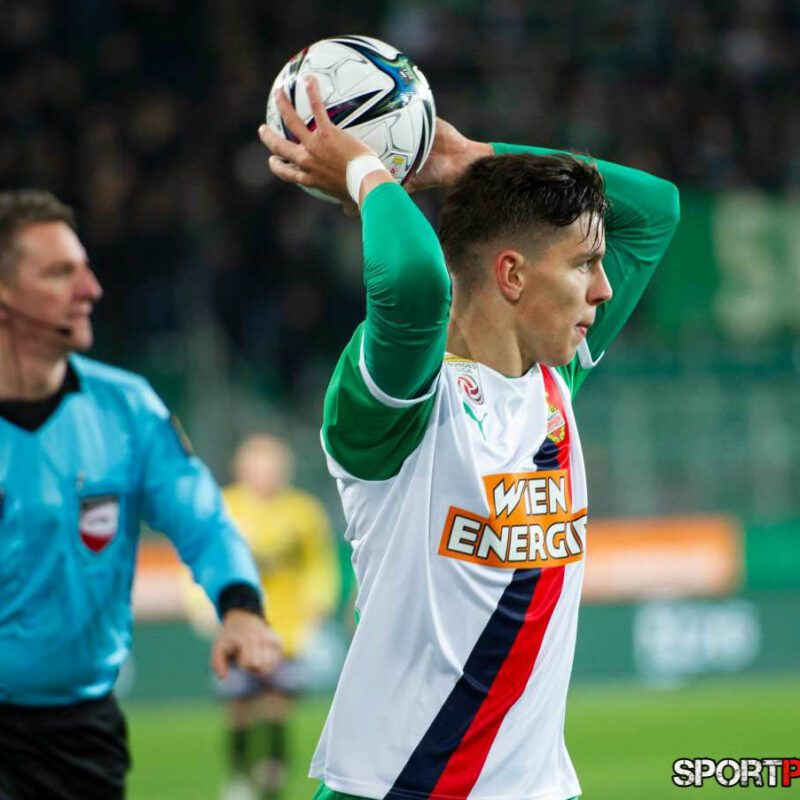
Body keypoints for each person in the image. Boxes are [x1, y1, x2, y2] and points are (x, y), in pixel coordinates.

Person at [259, 76, 679, 800]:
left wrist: (472, 158)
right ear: (511, 274)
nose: (606, 288)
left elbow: (657, 210)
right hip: (398, 787)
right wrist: (365, 172)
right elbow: (417, 283)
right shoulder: (399, 407)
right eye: (585, 264)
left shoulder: (554, 379)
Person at [0, 189, 283, 800]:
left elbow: (204, 522)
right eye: (59, 273)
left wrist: (240, 607)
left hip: (78, 740)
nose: (91, 289)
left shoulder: (127, 410)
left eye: (84, 268)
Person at [185, 433, 339, 800]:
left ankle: (272, 778)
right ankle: (238, 777)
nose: (266, 475)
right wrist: (201, 606)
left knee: (276, 708)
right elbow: (201, 558)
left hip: (286, 630)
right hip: (237, 627)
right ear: (242, 469)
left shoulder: (302, 512)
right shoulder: (224, 507)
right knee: (237, 709)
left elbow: (320, 565)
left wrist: (317, 607)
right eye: (259, 467)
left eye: (273, 467)